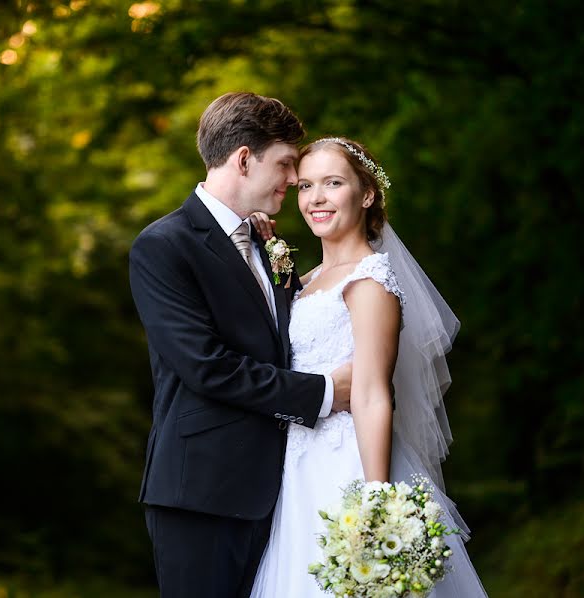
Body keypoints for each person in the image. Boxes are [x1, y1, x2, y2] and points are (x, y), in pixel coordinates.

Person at [128, 93, 354, 598]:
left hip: (282, 491)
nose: (294, 179)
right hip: (202, 495)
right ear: (245, 159)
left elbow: (292, 339)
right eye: (286, 163)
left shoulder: (266, 245)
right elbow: (208, 367)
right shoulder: (163, 246)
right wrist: (322, 393)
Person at [248, 137, 488, 597]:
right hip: (295, 470)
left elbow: (375, 391)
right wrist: (267, 245)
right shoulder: (307, 281)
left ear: (367, 193)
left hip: (346, 467)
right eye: (305, 186)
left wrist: (376, 497)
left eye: (333, 183)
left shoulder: (370, 279)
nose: (315, 198)